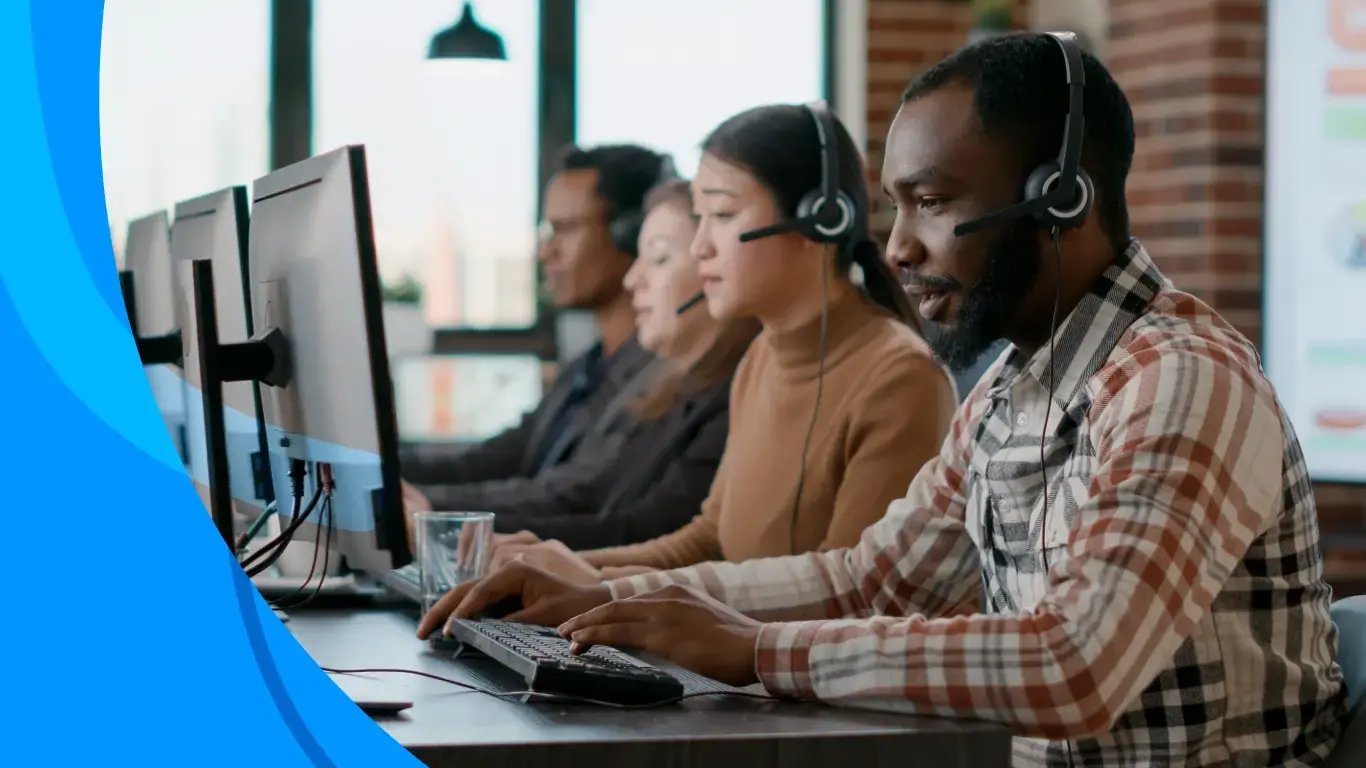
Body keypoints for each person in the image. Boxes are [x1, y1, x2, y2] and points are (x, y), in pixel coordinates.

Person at [419, 33, 1347, 767]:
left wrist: (751, 651)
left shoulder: (1179, 379)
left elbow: (1076, 666)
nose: (897, 247)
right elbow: (871, 579)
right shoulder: (1010, 389)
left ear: (1060, 198)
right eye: (894, 207)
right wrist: (614, 596)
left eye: (931, 201)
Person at [477, 102, 957, 583]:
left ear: (820, 219)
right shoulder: (761, 358)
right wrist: (558, 566)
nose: (700, 245)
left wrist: (600, 588)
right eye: (700, 217)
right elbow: (709, 540)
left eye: (723, 214)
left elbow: (846, 594)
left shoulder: (899, 379)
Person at [443, 179, 757, 561]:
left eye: (658, 259)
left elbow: (641, 526)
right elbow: (592, 497)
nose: (632, 280)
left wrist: (466, 530)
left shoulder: (736, 395)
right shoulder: (657, 390)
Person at [400, 144, 670, 527]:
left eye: (565, 229)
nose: (547, 253)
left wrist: (421, 506)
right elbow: (486, 462)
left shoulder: (665, 375)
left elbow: (575, 493)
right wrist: (374, 471)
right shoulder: (586, 367)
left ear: (630, 234)